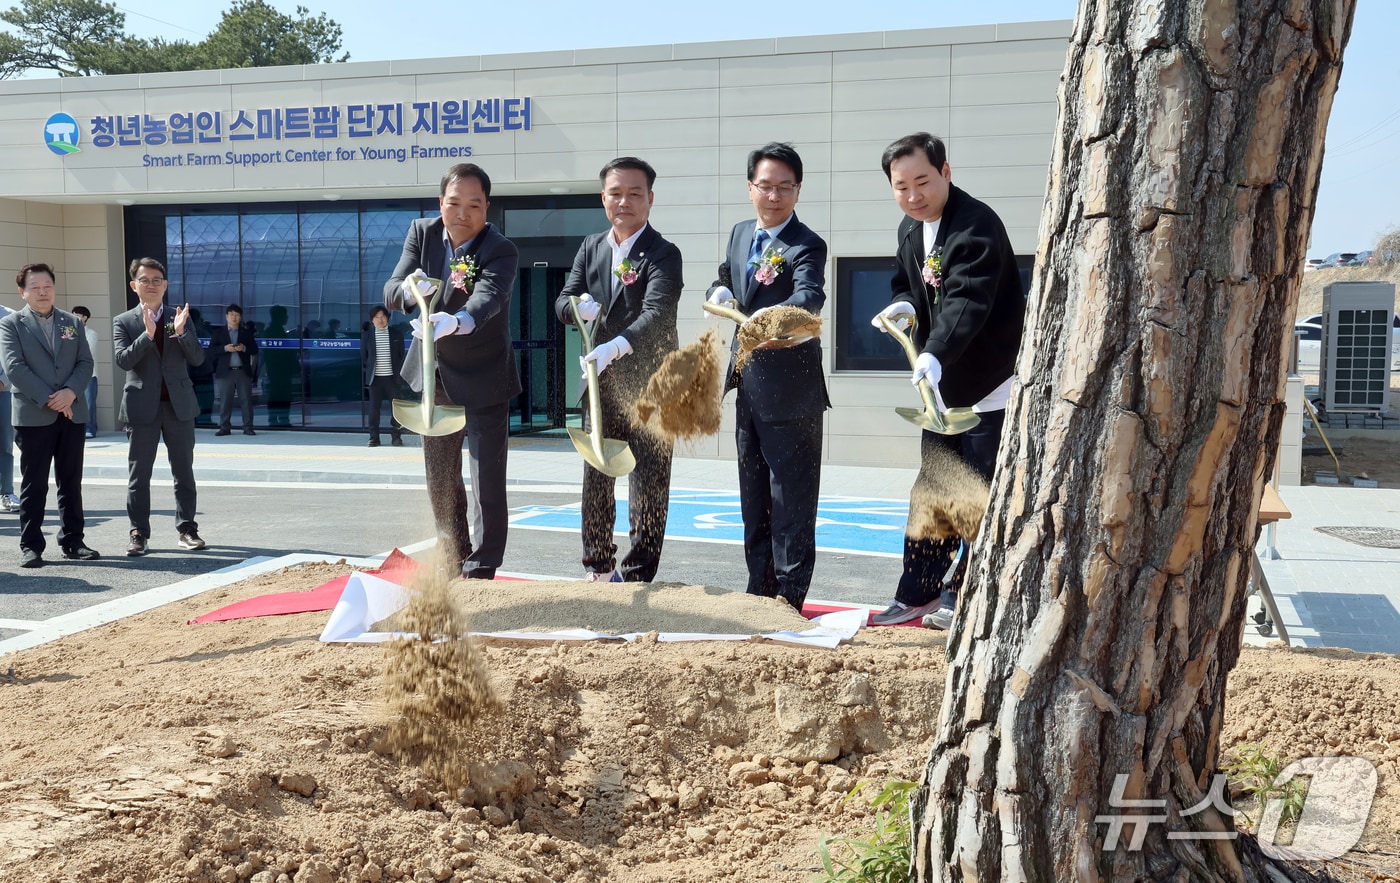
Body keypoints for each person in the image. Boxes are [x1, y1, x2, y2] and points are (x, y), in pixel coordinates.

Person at [868, 132, 1026, 627]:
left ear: (946, 172)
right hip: (941, 388)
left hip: (987, 384)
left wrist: (934, 351)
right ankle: (916, 592)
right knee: (934, 489)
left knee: (978, 490)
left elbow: (966, 301)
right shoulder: (910, 231)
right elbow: (909, 283)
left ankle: (967, 596)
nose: (913, 195)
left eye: (923, 181)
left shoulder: (976, 226)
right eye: (901, 186)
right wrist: (905, 305)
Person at [705, 142, 830, 611]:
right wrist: (719, 287)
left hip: (792, 392)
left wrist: (778, 318)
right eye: (766, 185)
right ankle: (758, 590)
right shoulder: (740, 234)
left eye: (785, 187)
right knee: (753, 497)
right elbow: (729, 275)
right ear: (750, 187)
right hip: (747, 388)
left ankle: (790, 599)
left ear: (798, 190)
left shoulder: (806, 243)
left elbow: (808, 295)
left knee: (790, 502)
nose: (774, 195)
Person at [384, 163, 521, 579]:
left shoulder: (500, 249)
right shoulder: (421, 233)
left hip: (485, 374)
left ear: (487, 208)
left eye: (473, 205)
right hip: (435, 374)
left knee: (486, 479)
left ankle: (482, 565)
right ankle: (453, 555)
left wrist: (454, 321)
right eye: (454, 203)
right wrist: (412, 292)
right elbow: (391, 291)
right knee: (441, 477)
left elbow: (488, 297)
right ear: (440, 203)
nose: (462, 213)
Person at [554, 157, 684, 583]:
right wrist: (577, 309)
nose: (624, 201)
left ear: (650, 199)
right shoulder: (591, 246)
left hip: (653, 386)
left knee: (649, 479)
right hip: (603, 384)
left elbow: (658, 313)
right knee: (597, 471)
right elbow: (564, 299)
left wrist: (615, 345)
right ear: (603, 197)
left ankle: (638, 572)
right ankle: (598, 566)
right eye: (615, 193)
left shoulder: (664, 253)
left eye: (634, 193)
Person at [0, 263, 98, 567]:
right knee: (34, 483)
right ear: (23, 292)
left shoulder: (72, 322)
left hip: (72, 413)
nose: (43, 292)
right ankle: (31, 545)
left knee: (71, 481)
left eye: (48, 286)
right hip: (34, 415)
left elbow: (85, 362)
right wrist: (51, 398)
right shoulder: (11, 324)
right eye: (35, 287)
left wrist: (70, 392)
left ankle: (73, 540)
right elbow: (14, 368)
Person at [113, 257, 208, 556]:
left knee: (184, 472)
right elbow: (123, 360)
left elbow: (198, 359)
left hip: (178, 406)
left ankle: (187, 529)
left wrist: (180, 332)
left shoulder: (180, 317)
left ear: (165, 285)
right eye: (144, 280)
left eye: (156, 280)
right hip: (141, 408)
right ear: (134, 286)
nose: (151, 285)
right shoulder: (124, 321)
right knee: (139, 474)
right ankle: (139, 531)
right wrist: (148, 334)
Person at [208, 303, 259, 437]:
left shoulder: (246, 333)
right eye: (231, 315)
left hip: (242, 371)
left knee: (246, 401)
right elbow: (211, 350)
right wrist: (225, 348)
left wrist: (244, 348)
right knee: (225, 401)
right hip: (226, 372)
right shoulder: (219, 333)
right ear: (226, 316)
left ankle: (248, 427)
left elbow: (255, 349)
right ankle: (224, 427)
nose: (234, 318)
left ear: (240, 317)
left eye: (237, 315)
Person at [361, 305, 405, 447]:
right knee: (374, 409)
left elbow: (401, 355)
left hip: (392, 378)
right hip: (375, 379)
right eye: (377, 317)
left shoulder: (396, 334)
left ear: (388, 318)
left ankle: (396, 437)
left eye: (383, 317)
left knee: (396, 408)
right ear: (372, 320)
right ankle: (374, 437)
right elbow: (364, 357)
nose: (380, 320)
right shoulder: (367, 336)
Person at [72, 306, 100, 438]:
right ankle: (76, 429)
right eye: (73, 315)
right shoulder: (69, 333)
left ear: (85, 317)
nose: (74, 318)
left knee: (89, 402)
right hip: (71, 374)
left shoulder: (91, 334)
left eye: (77, 315)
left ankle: (90, 429)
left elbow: (87, 352)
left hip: (89, 374)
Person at [0, 300, 17, 514]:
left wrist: (3, 381)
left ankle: (6, 492)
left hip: (2, 390)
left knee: (4, 444)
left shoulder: (10, 316)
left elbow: (15, 355)